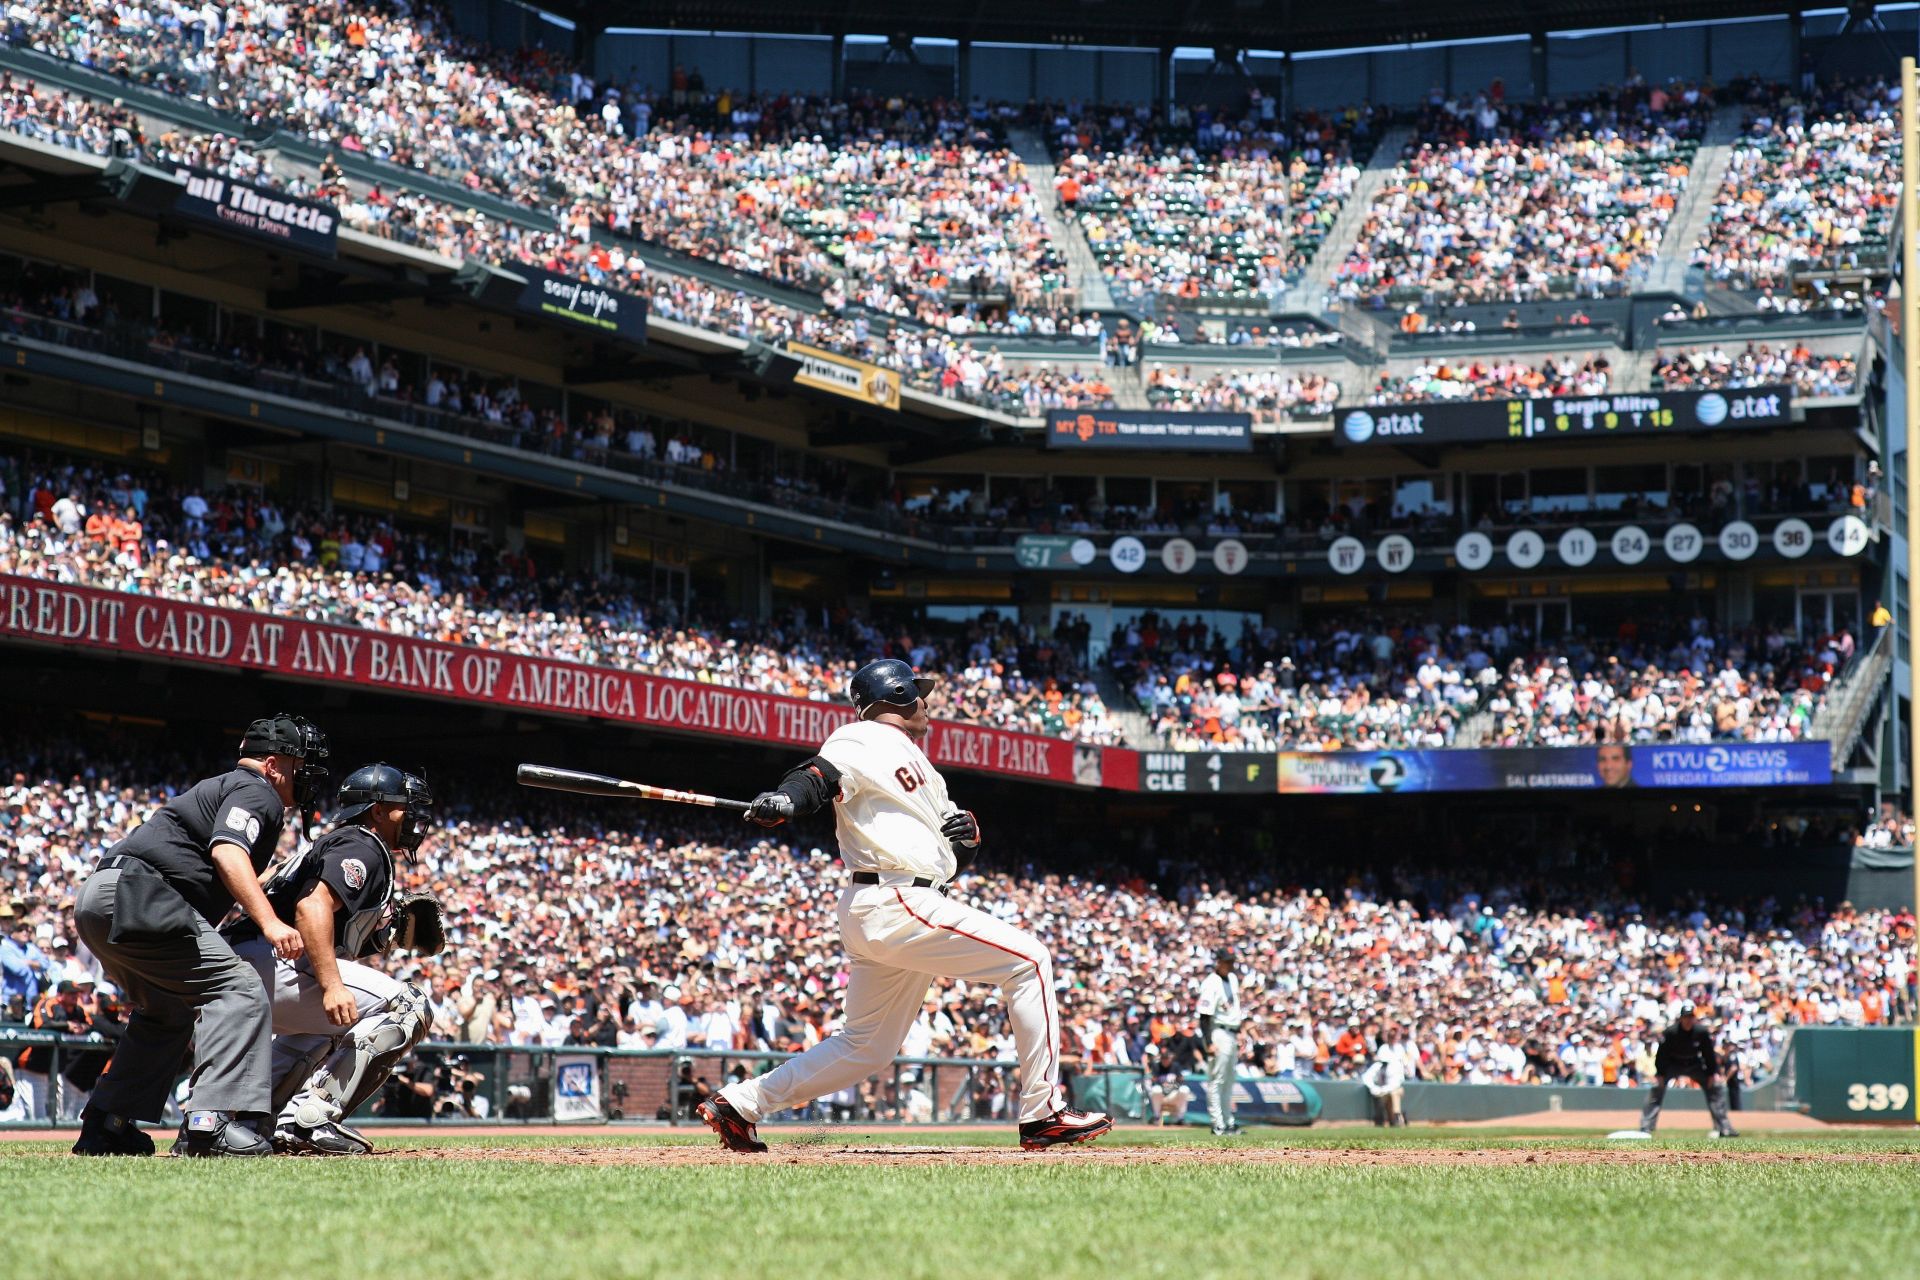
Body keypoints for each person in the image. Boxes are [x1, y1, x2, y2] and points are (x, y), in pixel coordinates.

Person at [695, 658, 1111, 1152]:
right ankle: (1043, 1113)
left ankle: (740, 1104)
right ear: (894, 697)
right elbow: (817, 776)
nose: (927, 702)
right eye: (918, 693)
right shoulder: (862, 737)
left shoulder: (923, 767)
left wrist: (969, 840)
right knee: (1030, 961)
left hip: (900, 900)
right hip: (894, 897)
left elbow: (951, 849)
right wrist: (788, 799)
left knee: (866, 1048)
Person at [70, 713, 328, 1157]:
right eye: (299, 764)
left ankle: (106, 1124)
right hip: (142, 895)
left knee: (166, 1009)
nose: (305, 775)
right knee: (240, 989)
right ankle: (213, 1123)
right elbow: (228, 850)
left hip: (102, 898)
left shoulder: (228, 786)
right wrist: (269, 922)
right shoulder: (256, 790)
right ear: (272, 764)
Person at [226, 764, 443, 1155]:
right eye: (402, 807)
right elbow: (311, 908)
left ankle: (250, 1119)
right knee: (409, 1005)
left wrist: (380, 937)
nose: (411, 817)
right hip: (269, 958)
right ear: (377, 811)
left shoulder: (333, 842)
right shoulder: (365, 843)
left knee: (329, 1026)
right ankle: (312, 1116)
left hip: (242, 963)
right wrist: (331, 985)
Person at [1638, 1007, 1739, 1138]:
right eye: (1686, 1017)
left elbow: (1708, 1054)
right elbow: (1662, 1055)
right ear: (1681, 1018)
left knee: (1715, 1087)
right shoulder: (1671, 1032)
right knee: (1657, 1087)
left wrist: (1711, 1074)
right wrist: (1660, 1074)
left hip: (1694, 1064)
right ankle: (1646, 1127)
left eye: (1691, 1017)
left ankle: (1724, 1128)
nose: (1688, 1020)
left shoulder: (1701, 1032)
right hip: (1673, 1064)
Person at [1197, 948, 1244, 1135]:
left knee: (1229, 1080)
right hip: (1218, 1033)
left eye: (1232, 961)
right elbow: (1204, 1016)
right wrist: (1208, 1042)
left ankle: (1228, 1121)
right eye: (1227, 962)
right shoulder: (1210, 982)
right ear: (1218, 962)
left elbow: (1233, 1011)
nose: (1230, 965)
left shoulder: (1232, 979)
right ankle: (1218, 1124)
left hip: (1231, 1032)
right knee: (1217, 1080)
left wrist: (1239, 1032)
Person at [1360, 1043, 1407, 1126]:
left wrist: (1382, 1090)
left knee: (1394, 1093)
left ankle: (1397, 1116)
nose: (1384, 1064)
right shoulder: (1377, 1066)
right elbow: (1366, 1077)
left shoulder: (1394, 1066)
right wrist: (1373, 1087)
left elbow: (1395, 1083)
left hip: (1392, 1090)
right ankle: (1382, 1119)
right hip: (1382, 1092)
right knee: (1380, 1098)